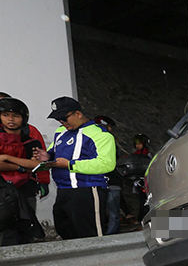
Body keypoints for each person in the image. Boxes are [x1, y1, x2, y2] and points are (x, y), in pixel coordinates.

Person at [33, 96, 116, 240]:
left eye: (64, 118)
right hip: (64, 190)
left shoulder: (100, 134)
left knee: (91, 235)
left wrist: (70, 165)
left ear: (78, 114)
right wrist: (47, 156)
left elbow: (106, 164)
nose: (62, 122)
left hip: (88, 189)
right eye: (58, 120)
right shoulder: (61, 132)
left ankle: (100, 261)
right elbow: (54, 151)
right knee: (66, 231)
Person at [0, 97, 48, 245]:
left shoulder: (32, 141)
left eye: (16, 116)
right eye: (6, 115)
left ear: (24, 118)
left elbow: (38, 165)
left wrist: (7, 157)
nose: (11, 119)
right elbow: (30, 165)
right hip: (2, 192)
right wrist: (21, 167)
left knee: (25, 230)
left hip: (25, 190)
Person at [95, 115, 122, 234]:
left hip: (109, 183)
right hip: (103, 183)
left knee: (112, 215)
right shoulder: (103, 140)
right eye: (108, 127)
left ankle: (109, 238)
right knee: (109, 215)